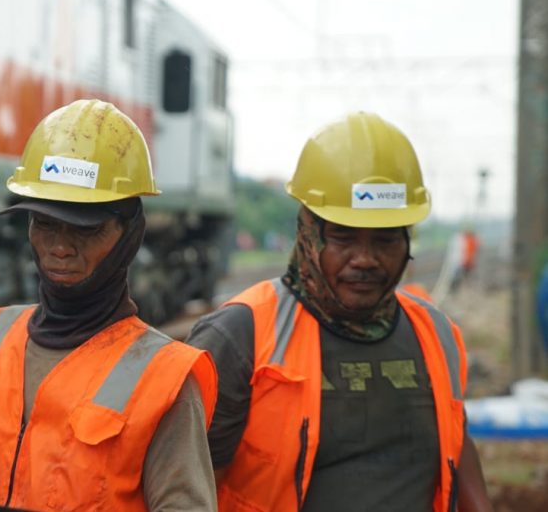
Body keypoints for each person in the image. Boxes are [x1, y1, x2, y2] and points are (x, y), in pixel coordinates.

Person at [0, 99, 219, 510]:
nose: (60, 247)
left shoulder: (165, 379)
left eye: (86, 229)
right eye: (45, 223)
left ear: (130, 234)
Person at [186, 112, 493, 512]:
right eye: (343, 237)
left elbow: (457, 444)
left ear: (406, 241)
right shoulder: (241, 336)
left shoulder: (434, 333)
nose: (365, 259)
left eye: (384, 240)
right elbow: (186, 489)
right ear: (308, 234)